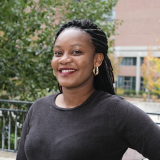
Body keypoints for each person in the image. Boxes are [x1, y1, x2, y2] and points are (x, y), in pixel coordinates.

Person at [16, 19, 160, 160]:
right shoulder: (38, 108)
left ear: (97, 59)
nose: (64, 59)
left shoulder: (115, 112)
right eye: (58, 53)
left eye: (76, 52)